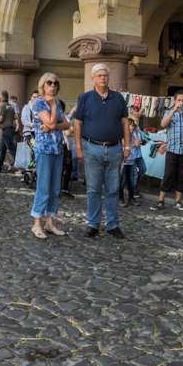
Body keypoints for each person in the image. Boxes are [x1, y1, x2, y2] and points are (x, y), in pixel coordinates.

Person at [71, 64, 133, 238]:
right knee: (93, 189)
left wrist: (127, 146)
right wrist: (78, 147)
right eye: (99, 75)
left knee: (113, 189)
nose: (103, 78)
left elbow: (125, 123)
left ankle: (113, 225)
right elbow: (77, 124)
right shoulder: (85, 98)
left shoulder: (118, 98)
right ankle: (93, 224)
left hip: (115, 149)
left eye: (105, 75)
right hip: (92, 148)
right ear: (93, 78)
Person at [23, 74, 70, 238]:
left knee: (55, 188)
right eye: (49, 83)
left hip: (58, 149)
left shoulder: (57, 102)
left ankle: (49, 223)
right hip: (44, 149)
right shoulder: (39, 103)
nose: (53, 86)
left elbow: (66, 124)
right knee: (43, 187)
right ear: (43, 85)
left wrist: (52, 126)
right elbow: (50, 122)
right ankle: (36, 223)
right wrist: (52, 115)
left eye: (56, 83)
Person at [155, 96, 183, 208]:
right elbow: (163, 124)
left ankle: (177, 201)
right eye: (179, 100)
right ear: (174, 101)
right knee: (168, 175)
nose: (181, 102)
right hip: (172, 150)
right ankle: (161, 200)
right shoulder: (169, 112)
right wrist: (173, 110)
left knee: (182, 177)